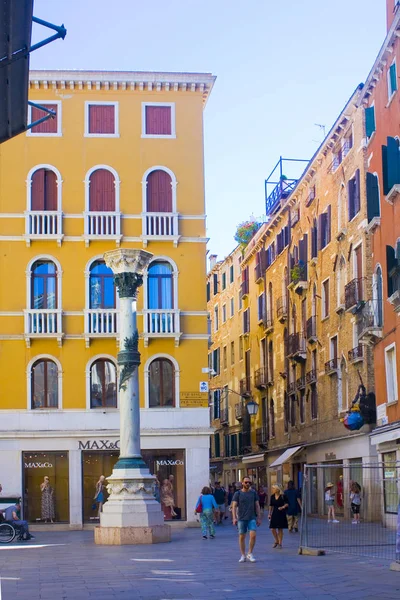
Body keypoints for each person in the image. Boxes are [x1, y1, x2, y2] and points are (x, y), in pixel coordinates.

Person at [231, 476, 261, 563]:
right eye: (246, 482)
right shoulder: (238, 494)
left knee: (253, 535)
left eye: (249, 482)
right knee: (242, 536)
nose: (248, 484)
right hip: (241, 518)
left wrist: (259, 517)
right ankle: (243, 555)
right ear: (242, 483)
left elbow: (257, 505)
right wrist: (234, 518)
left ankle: (250, 553)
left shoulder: (253, 493)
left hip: (252, 517)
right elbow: (234, 506)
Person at [268, 484, 289, 548]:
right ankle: (276, 540)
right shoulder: (272, 496)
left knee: (280, 528)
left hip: (281, 513)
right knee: (272, 528)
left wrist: (282, 507)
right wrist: (269, 513)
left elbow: (287, 504)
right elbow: (271, 506)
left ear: (277, 489)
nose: (272, 490)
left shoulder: (283, 496)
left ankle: (280, 543)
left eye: (273, 488)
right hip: (274, 513)